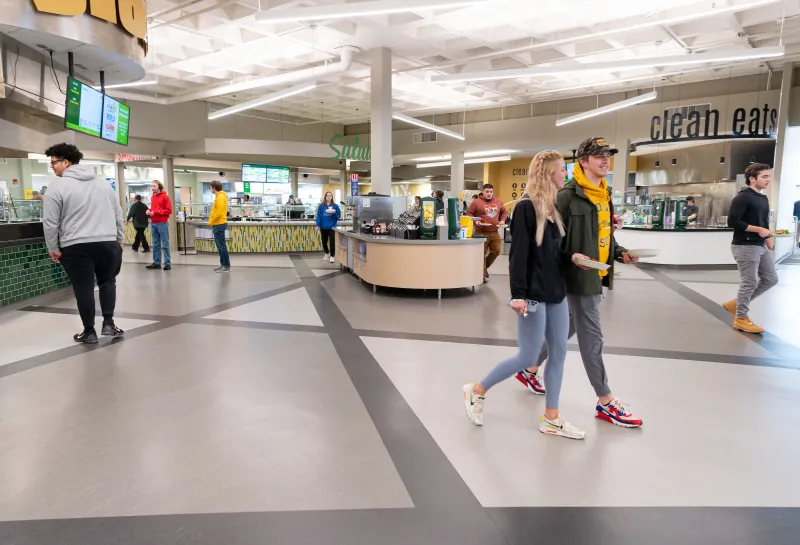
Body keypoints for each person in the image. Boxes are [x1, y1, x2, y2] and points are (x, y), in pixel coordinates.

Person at [515, 137, 643, 428]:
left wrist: (620, 253)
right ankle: (606, 401)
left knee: (569, 327)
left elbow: (603, 234)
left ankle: (530, 368)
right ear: (582, 161)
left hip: (594, 273)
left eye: (607, 155)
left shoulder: (604, 193)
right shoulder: (565, 195)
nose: (605, 160)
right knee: (592, 337)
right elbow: (548, 242)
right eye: (598, 155)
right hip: (574, 276)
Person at [463, 151, 590, 439]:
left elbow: (553, 251)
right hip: (532, 294)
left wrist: (572, 257)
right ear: (547, 173)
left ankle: (551, 418)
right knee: (528, 355)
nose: (565, 175)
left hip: (555, 292)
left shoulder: (552, 208)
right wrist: (517, 294)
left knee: (558, 353)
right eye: (561, 170)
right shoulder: (524, 208)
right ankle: (477, 390)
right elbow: (518, 256)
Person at [42, 143, 124, 344]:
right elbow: (118, 213)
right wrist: (120, 240)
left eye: (54, 162)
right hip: (107, 242)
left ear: (66, 162)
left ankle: (89, 332)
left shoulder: (57, 186)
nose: (52, 167)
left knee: (84, 288)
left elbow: (51, 222)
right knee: (107, 282)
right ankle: (109, 324)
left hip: (76, 246)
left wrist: (53, 247)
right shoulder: (102, 182)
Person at [722, 163, 777, 334]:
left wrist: (768, 242)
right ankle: (740, 318)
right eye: (764, 176)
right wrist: (759, 230)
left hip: (760, 245)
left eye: (769, 176)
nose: (768, 179)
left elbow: (764, 222)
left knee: (770, 279)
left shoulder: (763, 198)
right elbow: (733, 222)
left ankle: (735, 303)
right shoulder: (743, 197)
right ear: (752, 179)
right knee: (750, 282)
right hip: (745, 245)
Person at [467, 184, 507, 283]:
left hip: (495, 231)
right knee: (481, 253)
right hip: (480, 232)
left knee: (496, 251)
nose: (489, 194)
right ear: (483, 192)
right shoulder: (476, 202)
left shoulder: (498, 201)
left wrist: (502, 220)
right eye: (487, 192)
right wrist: (476, 222)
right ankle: (482, 274)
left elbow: (503, 212)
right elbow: (469, 214)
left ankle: (484, 269)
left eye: (491, 192)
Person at [145, 180, 172, 271]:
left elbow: (168, 210)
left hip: (162, 223)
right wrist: (149, 210)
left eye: (154, 186)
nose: (152, 188)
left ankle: (167, 263)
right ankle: (157, 262)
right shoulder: (153, 197)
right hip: (153, 223)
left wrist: (155, 212)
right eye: (151, 186)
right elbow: (154, 208)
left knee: (165, 244)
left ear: (159, 187)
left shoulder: (165, 197)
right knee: (155, 244)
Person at [209, 180, 231, 273]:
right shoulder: (219, 196)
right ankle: (223, 265)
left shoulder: (220, 197)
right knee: (219, 246)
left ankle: (226, 266)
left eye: (211, 187)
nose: (210, 189)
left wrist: (211, 221)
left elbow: (219, 212)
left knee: (221, 246)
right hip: (217, 223)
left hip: (219, 223)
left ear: (214, 187)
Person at [316, 191, 341, 264]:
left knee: (332, 242)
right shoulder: (321, 206)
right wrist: (318, 225)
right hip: (323, 227)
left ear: (332, 197)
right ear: (325, 197)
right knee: (324, 242)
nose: (329, 197)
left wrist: (334, 213)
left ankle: (332, 256)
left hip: (332, 227)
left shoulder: (335, 206)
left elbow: (338, 216)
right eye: (327, 196)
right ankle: (327, 253)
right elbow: (319, 217)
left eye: (330, 196)